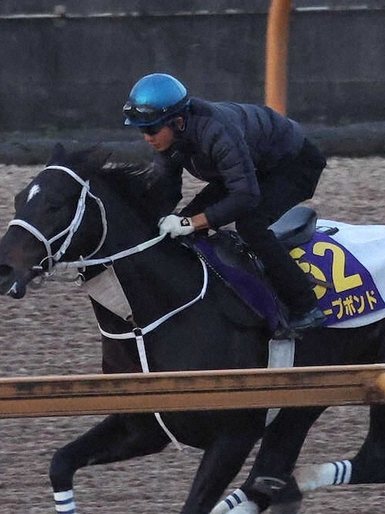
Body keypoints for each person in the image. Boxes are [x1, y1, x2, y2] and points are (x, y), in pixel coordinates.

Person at [122, 72, 327, 332]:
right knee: (181, 231)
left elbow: (246, 196)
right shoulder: (171, 136)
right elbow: (166, 192)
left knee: (251, 225)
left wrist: (190, 222)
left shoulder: (217, 132)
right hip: (250, 167)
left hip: (293, 164)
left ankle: (306, 306)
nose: (147, 137)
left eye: (151, 129)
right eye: (141, 129)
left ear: (178, 122)